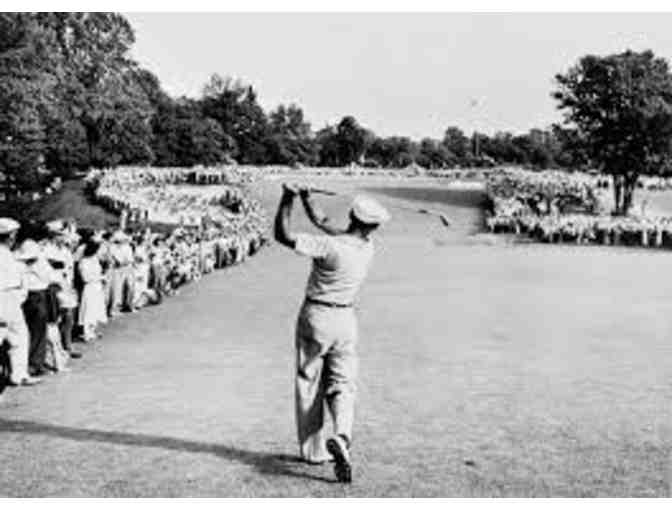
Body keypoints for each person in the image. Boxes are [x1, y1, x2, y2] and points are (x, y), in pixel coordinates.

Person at [274, 183, 390, 484]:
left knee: (309, 381)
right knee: (343, 384)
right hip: (345, 319)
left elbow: (282, 235)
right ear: (373, 227)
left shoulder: (329, 246)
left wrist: (287, 198)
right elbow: (323, 221)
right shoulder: (367, 247)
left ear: (351, 216)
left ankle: (314, 451)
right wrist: (307, 197)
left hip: (316, 316)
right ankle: (342, 435)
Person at [0, 218, 41, 386]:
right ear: (10, 236)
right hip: (6, 297)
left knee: (15, 335)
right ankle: (18, 374)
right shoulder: (7, 255)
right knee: (17, 336)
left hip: (9, 297)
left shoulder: (9, 254)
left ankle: (18, 374)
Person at [78, 241, 108, 342]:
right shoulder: (84, 262)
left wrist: (101, 278)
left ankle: (93, 330)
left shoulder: (95, 260)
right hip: (90, 287)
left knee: (96, 309)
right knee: (89, 310)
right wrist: (100, 277)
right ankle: (87, 333)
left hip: (97, 287)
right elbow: (86, 278)